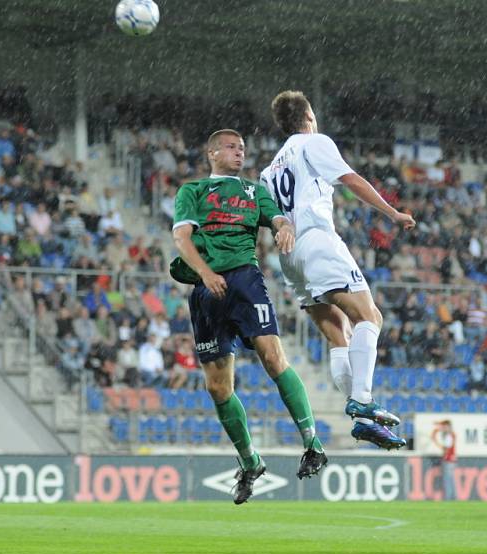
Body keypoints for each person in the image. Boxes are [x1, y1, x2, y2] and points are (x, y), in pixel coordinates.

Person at [170, 128, 327, 505]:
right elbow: (182, 239)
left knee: (273, 358)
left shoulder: (255, 191)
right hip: (207, 289)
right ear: (212, 153)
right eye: (231, 147)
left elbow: (277, 219)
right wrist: (206, 274)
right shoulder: (192, 192)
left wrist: (284, 228)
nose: (239, 153)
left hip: (244, 279)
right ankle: (250, 461)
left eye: (242, 148)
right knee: (217, 387)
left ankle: (313, 443)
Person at [261, 90, 416, 450]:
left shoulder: (270, 169)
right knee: (369, 317)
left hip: (290, 255)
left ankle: (363, 420)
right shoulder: (313, 142)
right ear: (309, 116)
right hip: (317, 239)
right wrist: (391, 213)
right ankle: (362, 401)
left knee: (338, 337)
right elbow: (351, 179)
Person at [431, 420, 457, 501]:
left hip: (448, 460)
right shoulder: (451, 435)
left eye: (444, 427)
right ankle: (453, 497)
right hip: (451, 460)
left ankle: (448, 498)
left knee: (447, 480)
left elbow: (446, 449)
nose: (443, 428)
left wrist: (435, 440)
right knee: (451, 480)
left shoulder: (448, 436)